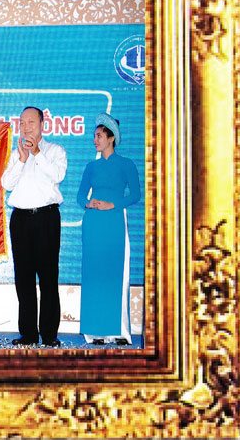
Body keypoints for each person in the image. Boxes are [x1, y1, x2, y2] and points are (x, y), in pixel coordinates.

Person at [0, 106, 68, 347]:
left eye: (31, 122)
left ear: (42, 125)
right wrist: (22, 159)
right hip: (21, 220)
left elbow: (58, 176)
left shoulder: (55, 151)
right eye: (22, 122)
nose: (25, 127)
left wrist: (37, 153)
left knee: (48, 277)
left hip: (46, 218)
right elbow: (6, 183)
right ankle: (28, 334)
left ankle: (49, 335)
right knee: (24, 278)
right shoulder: (16, 154)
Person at [77, 113, 141, 345]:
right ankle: (95, 332)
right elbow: (80, 196)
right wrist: (88, 203)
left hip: (114, 221)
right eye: (94, 136)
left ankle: (119, 331)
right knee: (94, 274)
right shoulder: (91, 166)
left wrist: (113, 204)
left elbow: (135, 195)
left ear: (111, 138)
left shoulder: (126, 164)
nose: (95, 140)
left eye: (99, 136)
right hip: (93, 223)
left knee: (114, 273)